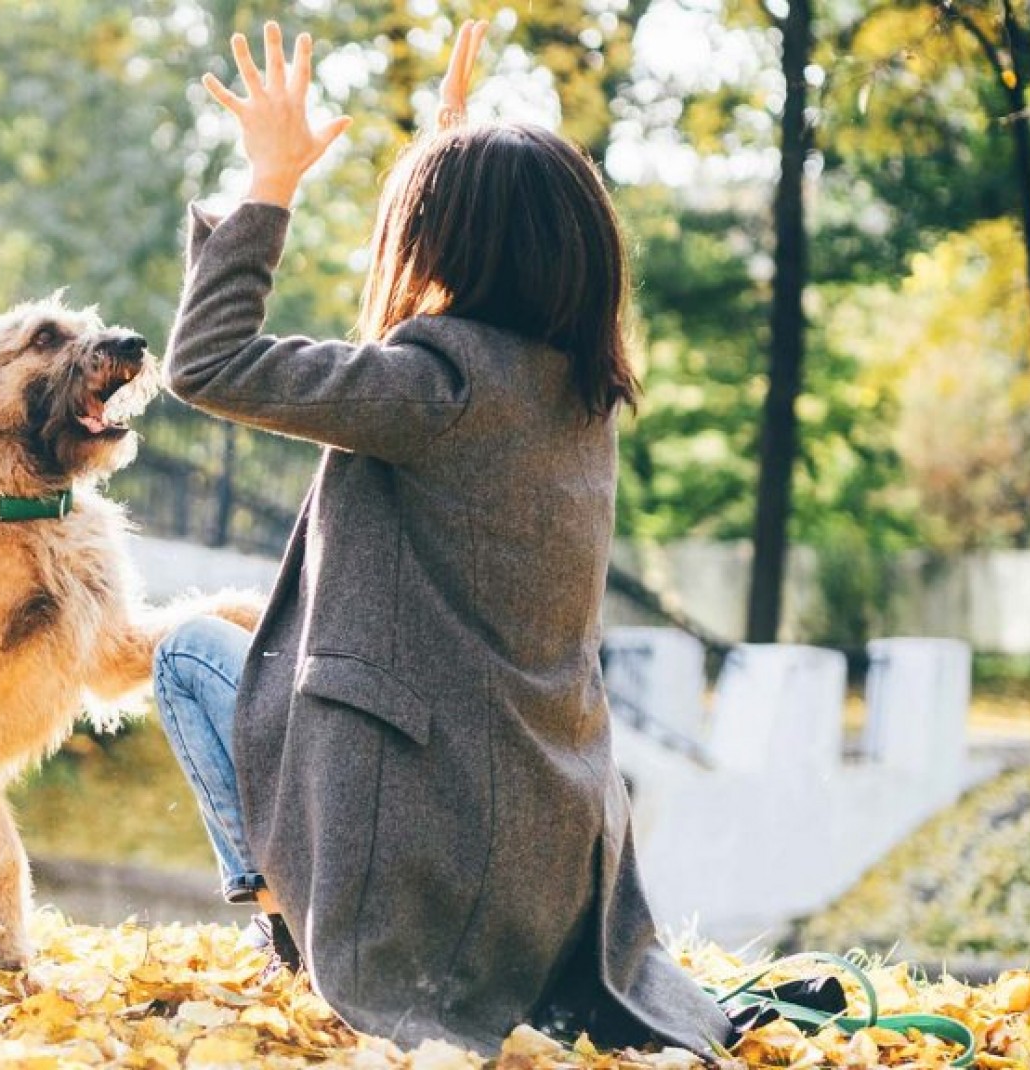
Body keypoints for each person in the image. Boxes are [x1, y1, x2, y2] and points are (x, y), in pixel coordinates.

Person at [149, 19, 739, 1062]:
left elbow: (206, 361)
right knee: (257, 653)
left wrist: (270, 180)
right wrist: (453, 145)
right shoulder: (575, 390)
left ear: (444, 249)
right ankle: (295, 911)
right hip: (548, 853)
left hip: (420, 859)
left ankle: (283, 924)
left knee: (193, 653)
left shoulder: (435, 385)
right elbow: (461, 294)